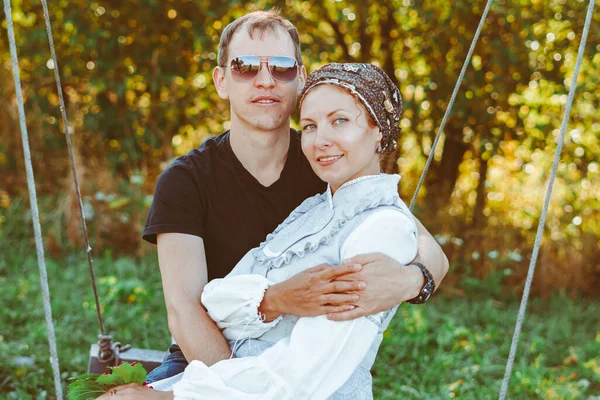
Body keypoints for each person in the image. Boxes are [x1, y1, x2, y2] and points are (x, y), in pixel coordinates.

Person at [139, 9, 447, 386]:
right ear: (222, 80)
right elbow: (185, 309)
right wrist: (229, 391)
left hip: (297, 363)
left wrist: (409, 282)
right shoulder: (184, 181)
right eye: (246, 66)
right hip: (204, 360)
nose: (265, 80)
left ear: (300, 78)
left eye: (282, 67)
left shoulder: (329, 162)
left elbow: (428, 249)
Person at [98, 62, 428, 399]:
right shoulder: (314, 208)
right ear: (221, 79)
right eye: (311, 126)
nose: (321, 140)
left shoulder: (383, 228)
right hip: (228, 379)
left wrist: (173, 398)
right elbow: (214, 303)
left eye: (339, 121)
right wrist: (276, 299)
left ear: (379, 131)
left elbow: (303, 375)